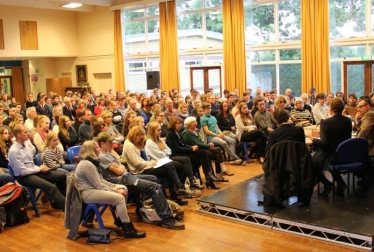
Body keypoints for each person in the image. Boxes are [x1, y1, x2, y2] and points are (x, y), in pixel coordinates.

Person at [97, 132, 185, 230]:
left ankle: (140, 207)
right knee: (154, 187)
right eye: (109, 142)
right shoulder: (102, 157)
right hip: (120, 181)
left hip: (127, 176)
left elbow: (123, 166)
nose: (112, 144)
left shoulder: (110, 155)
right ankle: (167, 219)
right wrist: (120, 167)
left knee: (153, 178)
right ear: (102, 144)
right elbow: (119, 171)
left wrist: (120, 167)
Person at [75, 140, 146, 238]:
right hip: (88, 193)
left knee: (123, 187)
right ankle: (129, 229)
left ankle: (121, 220)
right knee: (119, 198)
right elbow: (99, 185)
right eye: (96, 148)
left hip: (93, 189)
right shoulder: (87, 164)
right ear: (91, 150)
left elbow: (101, 180)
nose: (99, 149)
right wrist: (115, 190)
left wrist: (114, 186)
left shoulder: (91, 162)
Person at [122, 126, 190, 204]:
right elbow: (137, 164)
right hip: (139, 171)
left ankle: (178, 190)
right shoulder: (129, 145)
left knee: (170, 166)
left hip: (144, 166)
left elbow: (140, 161)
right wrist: (151, 163)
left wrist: (151, 163)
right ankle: (177, 191)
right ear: (134, 135)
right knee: (169, 170)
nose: (139, 140)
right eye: (139, 138)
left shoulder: (131, 143)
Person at [8, 124, 66, 211]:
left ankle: (57, 203)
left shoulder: (26, 146)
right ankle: (69, 208)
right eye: (25, 132)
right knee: (51, 187)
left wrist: (41, 167)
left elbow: (31, 164)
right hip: (23, 177)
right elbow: (22, 171)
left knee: (62, 176)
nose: (28, 134)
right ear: (19, 135)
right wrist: (39, 168)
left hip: (33, 171)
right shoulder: (14, 151)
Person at [307, 98, 352, 196]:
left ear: (330, 109)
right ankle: (340, 183)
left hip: (329, 155)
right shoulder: (348, 121)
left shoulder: (326, 122)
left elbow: (324, 143)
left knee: (310, 163)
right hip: (344, 154)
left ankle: (327, 184)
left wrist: (312, 138)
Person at [166, 117, 222, 189]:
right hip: (177, 155)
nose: (180, 125)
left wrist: (191, 147)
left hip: (183, 152)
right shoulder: (171, 134)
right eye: (178, 124)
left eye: (180, 123)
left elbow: (183, 144)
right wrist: (191, 149)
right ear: (173, 124)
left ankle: (208, 177)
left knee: (203, 154)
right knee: (202, 155)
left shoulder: (177, 133)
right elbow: (177, 149)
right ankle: (206, 177)